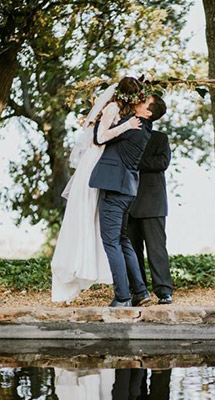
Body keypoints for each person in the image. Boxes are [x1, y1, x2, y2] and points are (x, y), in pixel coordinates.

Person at [51, 77, 145, 304]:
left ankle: (115, 283)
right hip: (94, 165)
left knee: (106, 229)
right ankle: (75, 270)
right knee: (86, 219)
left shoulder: (126, 112)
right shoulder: (112, 108)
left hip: (108, 168)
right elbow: (99, 138)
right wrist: (126, 126)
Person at [89, 93, 156, 307]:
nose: (138, 100)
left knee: (111, 242)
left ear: (147, 112)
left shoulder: (132, 124)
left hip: (114, 189)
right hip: (127, 190)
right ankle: (140, 292)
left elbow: (100, 137)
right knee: (122, 240)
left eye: (144, 101)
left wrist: (102, 110)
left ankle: (122, 297)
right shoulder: (145, 129)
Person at [127, 95, 173, 305]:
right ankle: (137, 291)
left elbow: (162, 162)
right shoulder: (127, 135)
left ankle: (164, 291)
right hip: (128, 202)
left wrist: (134, 160)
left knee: (156, 249)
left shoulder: (160, 138)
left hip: (153, 203)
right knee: (132, 249)